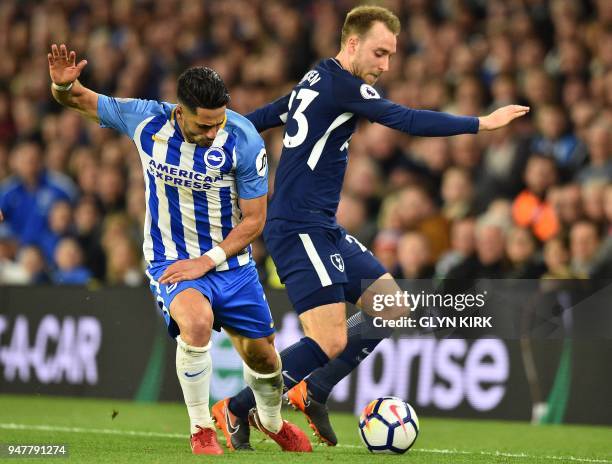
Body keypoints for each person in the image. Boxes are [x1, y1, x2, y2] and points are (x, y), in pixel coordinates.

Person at [213, 5, 530, 448]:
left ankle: (313, 390)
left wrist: (222, 128)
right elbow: (408, 120)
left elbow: (270, 114)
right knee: (329, 338)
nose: (385, 66)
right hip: (298, 227)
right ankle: (236, 407)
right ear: (353, 43)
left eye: (392, 56)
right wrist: (481, 123)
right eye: (380, 53)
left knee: (390, 305)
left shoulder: (318, 77)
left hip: (322, 225)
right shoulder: (345, 85)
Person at [47, 43, 311, 454]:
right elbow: (76, 97)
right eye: (204, 126)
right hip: (170, 258)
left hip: (231, 264)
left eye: (218, 123)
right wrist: (63, 86)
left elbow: (255, 220)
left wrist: (206, 261)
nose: (212, 133)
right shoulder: (146, 119)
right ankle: (201, 429)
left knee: (264, 359)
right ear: (179, 110)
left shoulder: (243, 140)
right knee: (197, 321)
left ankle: (271, 420)